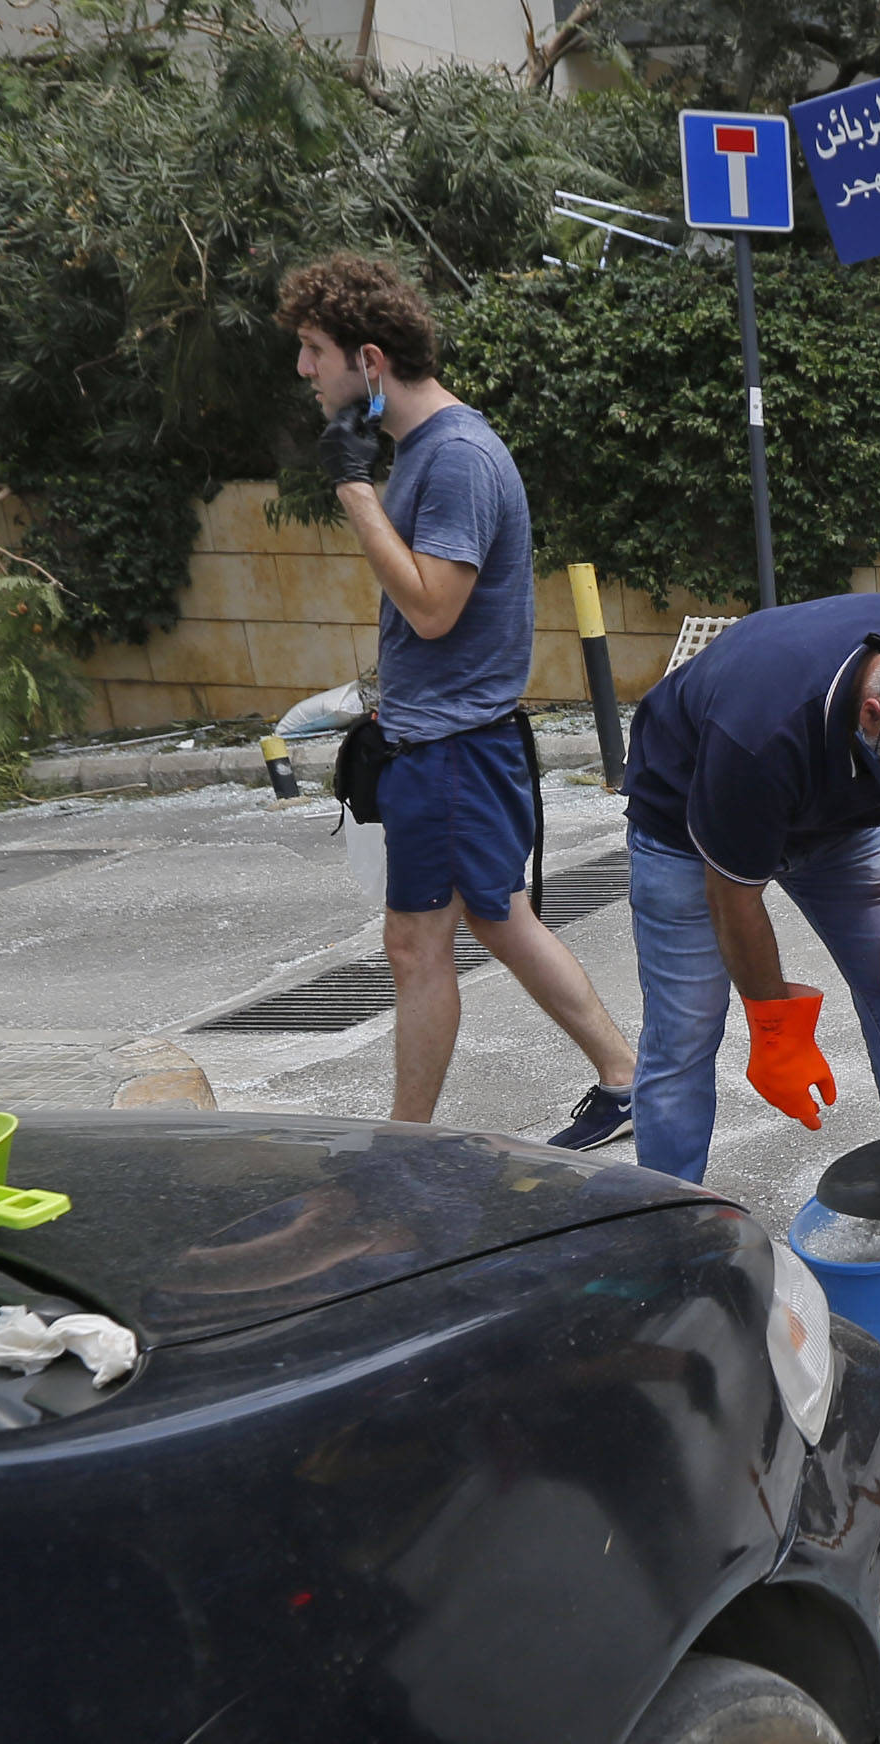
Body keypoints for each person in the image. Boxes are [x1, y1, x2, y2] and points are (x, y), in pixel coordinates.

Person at [278, 252, 637, 1147]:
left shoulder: (457, 459)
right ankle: (628, 1078)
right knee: (496, 915)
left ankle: (404, 1148)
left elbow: (434, 609)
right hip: (441, 744)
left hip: (451, 751)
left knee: (414, 945)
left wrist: (353, 489)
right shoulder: (430, 452)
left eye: (313, 350)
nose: (302, 370)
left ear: (368, 359)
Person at [619, 594, 880, 1269]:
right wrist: (775, 1025)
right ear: (876, 714)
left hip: (841, 818)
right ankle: (668, 1244)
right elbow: (734, 894)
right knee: (684, 1033)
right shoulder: (758, 730)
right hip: (689, 826)